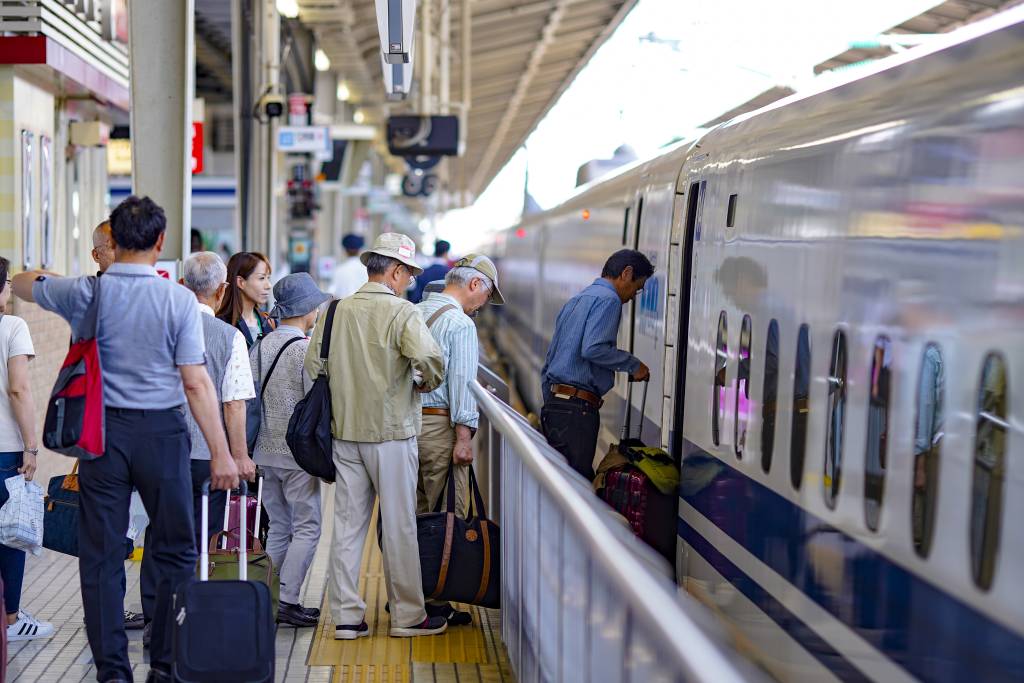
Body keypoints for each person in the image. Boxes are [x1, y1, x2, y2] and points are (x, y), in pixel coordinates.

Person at [12, 195, 240, 683]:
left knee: (102, 553)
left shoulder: (86, 292)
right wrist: (220, 452)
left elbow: (23, 284)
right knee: (175, 548)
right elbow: (196, 382)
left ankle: (113, 671)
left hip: (102, 437)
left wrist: (44, 275)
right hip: (162, 435)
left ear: (111, 241)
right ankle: (165, 663)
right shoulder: (177, 299)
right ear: (160, 242)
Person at [304, 232, 446, 640]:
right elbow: (431, 361)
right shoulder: (403, 313)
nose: (410, 283)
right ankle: (407, 616)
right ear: (395, 271)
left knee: (347, 526)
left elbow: (313, 368)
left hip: (345, 435)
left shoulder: (335, 311)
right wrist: (423, 382)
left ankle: (347, 617)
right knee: (399, 525)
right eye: (408, 275)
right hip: (392, 435)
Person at [414, 254, 503, 627]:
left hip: (405, 427)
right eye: (486, 296)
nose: (484, 305)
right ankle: (434, 600)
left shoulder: (413, 312)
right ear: (474, 285)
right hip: (440, 428)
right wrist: (464, 437)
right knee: (446, 514)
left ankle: (408, 595)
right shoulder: (460, 324)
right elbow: (464, 386)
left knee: (412, 514)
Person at [251, 273, 331, 628]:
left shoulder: (260, 345)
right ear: (307, 310)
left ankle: (263, 597)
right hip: (296, 455)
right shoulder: (304, 349)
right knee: (308, 526)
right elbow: (314, 401)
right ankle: (288, 599)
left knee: (279, 527)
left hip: (263, 453)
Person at [540, 249, 653, 481]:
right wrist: (633, 365)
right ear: (626, 273)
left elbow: (551, 356)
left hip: (556, 405)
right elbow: (594, 348)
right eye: (637, 287)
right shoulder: (609, 301)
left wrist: (551, 402)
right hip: (577, 410)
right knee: (576, 485)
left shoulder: (578, 299)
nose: (633, 296)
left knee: (564, 482)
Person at [0, 257, 54, 642]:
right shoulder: (11, 327)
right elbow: (19, 389)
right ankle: (11, 619)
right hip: (4, 448)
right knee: (10, 534)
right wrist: (31, 447)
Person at [217, 251, 275, 348]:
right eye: (261, 278)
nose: (268, 285)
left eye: (268, 278)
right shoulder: (221, 324)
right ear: (240, 282)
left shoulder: (268, 322)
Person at [410, 240, 451, 304]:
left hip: (422, 309)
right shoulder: (450, 274)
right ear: (446, 253)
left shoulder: (423, 272)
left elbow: (415, 297)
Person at [328, 233, 367, 298]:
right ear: (359, 250)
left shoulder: (339, 270)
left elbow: (332, 293)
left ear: (345, 251)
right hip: (364, 307)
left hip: (343, 307)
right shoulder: (366, 269)